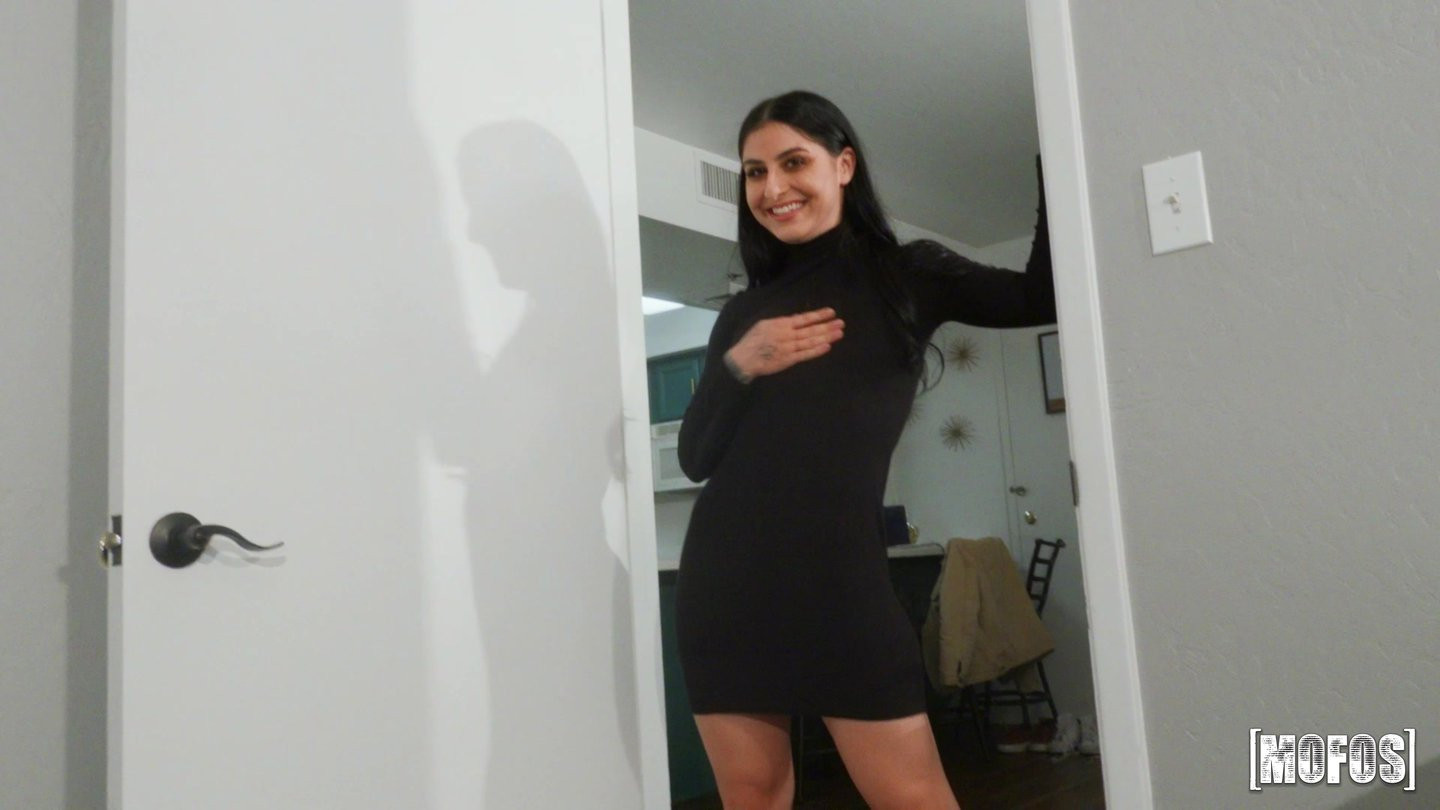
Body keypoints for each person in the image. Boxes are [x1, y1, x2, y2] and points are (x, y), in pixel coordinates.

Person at [674, 89, 1055, 810]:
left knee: (913, 797)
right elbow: (696, 457)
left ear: (843, 165)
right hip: (725, 585)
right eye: (755, 172)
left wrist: (1059, 146)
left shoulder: (909, 275)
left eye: (793, 163)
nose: (772, 188)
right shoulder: (743, 312)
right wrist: (739, 363)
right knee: (752, 795)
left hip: (840, 584)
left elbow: (1043, 297)